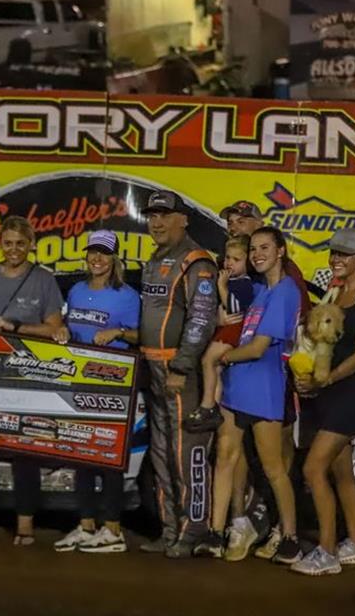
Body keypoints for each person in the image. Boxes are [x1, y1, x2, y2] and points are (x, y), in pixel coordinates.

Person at [215, 199, 312, 558]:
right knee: (234, 457)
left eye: (264, 248)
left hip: (266, 388)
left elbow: (258, 347)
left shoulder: (285, 289)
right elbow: (236, 318)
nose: (256, 254)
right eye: (253, 249)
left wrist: (225, 356)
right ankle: (235, 526)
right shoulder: (259, 288)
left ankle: (288, 535)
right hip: (240, 387)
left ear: (280, 250)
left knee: (274, 467)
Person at [0, 215, 65, 546]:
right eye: (8, 243)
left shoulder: (44, 279)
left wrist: (16, 327)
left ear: (31, 244)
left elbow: (54, 329)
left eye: (20, 243)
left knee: (26, 452)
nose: (14, 249)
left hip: (28, 375)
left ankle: (25, 526)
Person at [291, 229, 355, 575]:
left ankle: (327, 551)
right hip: (331, 393)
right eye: (334, 253)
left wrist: (327, 378)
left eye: (344, 255)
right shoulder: (335, 292)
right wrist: (309, 375)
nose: (336, 260)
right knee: (341, 471)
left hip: (352, 394)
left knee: (312, 469)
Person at [136, 190, 218, 558]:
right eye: (152, 215)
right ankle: (170, 531)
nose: (156, 222)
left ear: (183, 219)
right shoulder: (155, 258)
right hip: (152, 368)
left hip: (179, 371)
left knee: (186, 453)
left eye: (164, 215)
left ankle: (193, 530)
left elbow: (201, 319)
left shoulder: (196, 261)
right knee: (161, 453)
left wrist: (182, 365)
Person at [51, 231, 140, 554]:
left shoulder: (127, 296)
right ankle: (87, 525)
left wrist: (118, 332)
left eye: (103, 253)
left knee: (109, 455)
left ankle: (113, 530)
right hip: (78, 380)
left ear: (114, 258)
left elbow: (142, 335)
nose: (97, 259)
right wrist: (62, 329)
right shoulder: (76, 291)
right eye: (93, 252)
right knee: (82, 454)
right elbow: (68, 325)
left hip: (113, 382)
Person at [195, 235, 255, 430]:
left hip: (233, 330)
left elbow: (234, 307)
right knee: (216, 369)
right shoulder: (233, 280)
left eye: (236, 259)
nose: (230, 263)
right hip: (225, 328)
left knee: (207, 361)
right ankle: (213, 406)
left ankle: (207, 406)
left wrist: (221, 286)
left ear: (248, 263)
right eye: (228, 258)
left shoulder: (244, 283)